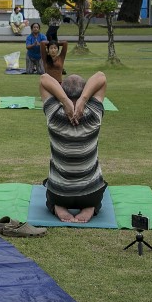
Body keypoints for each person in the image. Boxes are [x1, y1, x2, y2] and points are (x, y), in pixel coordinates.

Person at [40, 71, 108, 223]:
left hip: (59, 193)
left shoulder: (54, 115)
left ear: (61, 92)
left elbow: (44, 78)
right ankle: (91, 206)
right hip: (91, 194)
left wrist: (64, 101)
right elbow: (101, 77)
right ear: (86, 91)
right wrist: (84, 100)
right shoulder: (94, 114)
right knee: (96, 193)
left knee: (50, 192)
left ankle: (58, 206)